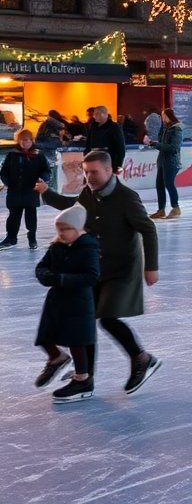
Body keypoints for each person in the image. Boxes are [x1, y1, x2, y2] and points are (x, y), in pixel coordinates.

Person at [36, 150, 162, 395]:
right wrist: (47, 193)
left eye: (94, 172)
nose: (89, 177)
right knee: (84, 320)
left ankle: (142, 358)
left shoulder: (126, 197)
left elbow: (148, 229)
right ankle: (85, 378)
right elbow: (71, 206)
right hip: (95, 268)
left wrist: (151, 267)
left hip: (122, 270)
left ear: (109, 170)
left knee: (108, 317)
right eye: (86, 172)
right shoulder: (87, 193)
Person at [34, 204, 101, 403]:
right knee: (45, 334)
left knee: (76, 341)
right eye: (59, 229)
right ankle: (56, 357)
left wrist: (62, 279)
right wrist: (45, 275)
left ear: (78, 228)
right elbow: (42, 266)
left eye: (66, 229)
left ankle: (83, 379)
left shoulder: (88, 247)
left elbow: (91, 276)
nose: (61, 233)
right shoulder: (57, 246)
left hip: (79, 303)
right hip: (56, 301)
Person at [2, 129, 51, 249]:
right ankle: (11, 238)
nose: (24, 143)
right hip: (14, 191)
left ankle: (32, 239)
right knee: (13, 215)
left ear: (31, 141)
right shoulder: (12, 154)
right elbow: (4, 172)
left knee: (31, 215)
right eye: (21, 141)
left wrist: (42, 179)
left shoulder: (38, 154)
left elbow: (46, 170)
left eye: (26, 141)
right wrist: (8, 182)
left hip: (31, 190)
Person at [146, 109, 184, 220]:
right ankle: (161, 210)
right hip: (162, 161)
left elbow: (173, 148)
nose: (162, 118)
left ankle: (176, 208)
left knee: (169, 184)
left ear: (168, 116)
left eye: (163, 116)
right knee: (159, 185)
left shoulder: (176, 130)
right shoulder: (166, 129)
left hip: (171, 162)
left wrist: (156, 145)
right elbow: (161, 141)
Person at [83, 106, 126, 173]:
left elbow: (120, 147)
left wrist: (119, 165)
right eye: (94, 114)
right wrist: (86, 155)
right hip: (92, 159)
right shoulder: (93, 126)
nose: (94, 116)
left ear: (105, 114)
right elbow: (88, 143)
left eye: (97, 114)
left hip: (108, 160)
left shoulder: (114, 127)